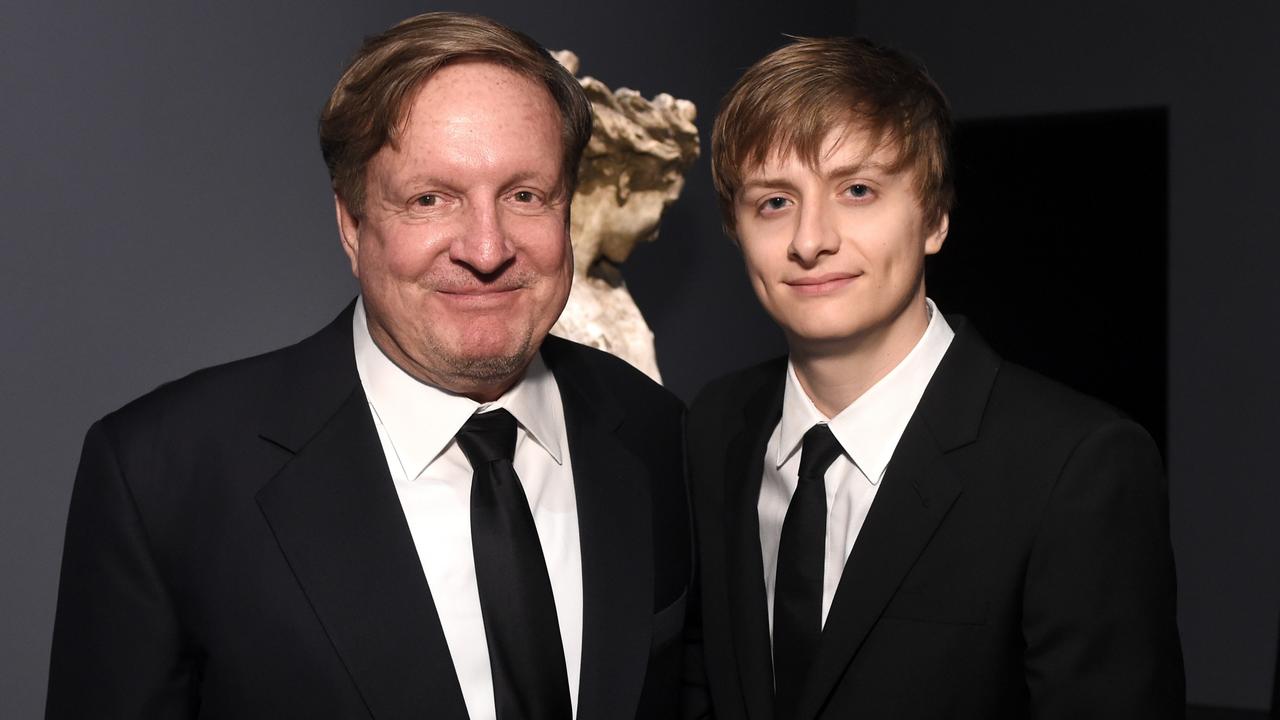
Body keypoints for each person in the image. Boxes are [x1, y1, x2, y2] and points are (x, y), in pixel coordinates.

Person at [46, 12, 690, 720]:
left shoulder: (661, 435)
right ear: (352, 224)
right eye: (429, 199)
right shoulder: (163, 474)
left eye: (525, 196)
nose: (486, 248)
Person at [686, 36, 1184, 718]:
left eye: (857, 190)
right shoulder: (713, 430)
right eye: (774, 202)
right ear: (736, 229)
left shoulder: (1078, 466)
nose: (810, 239)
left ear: (935, 218)